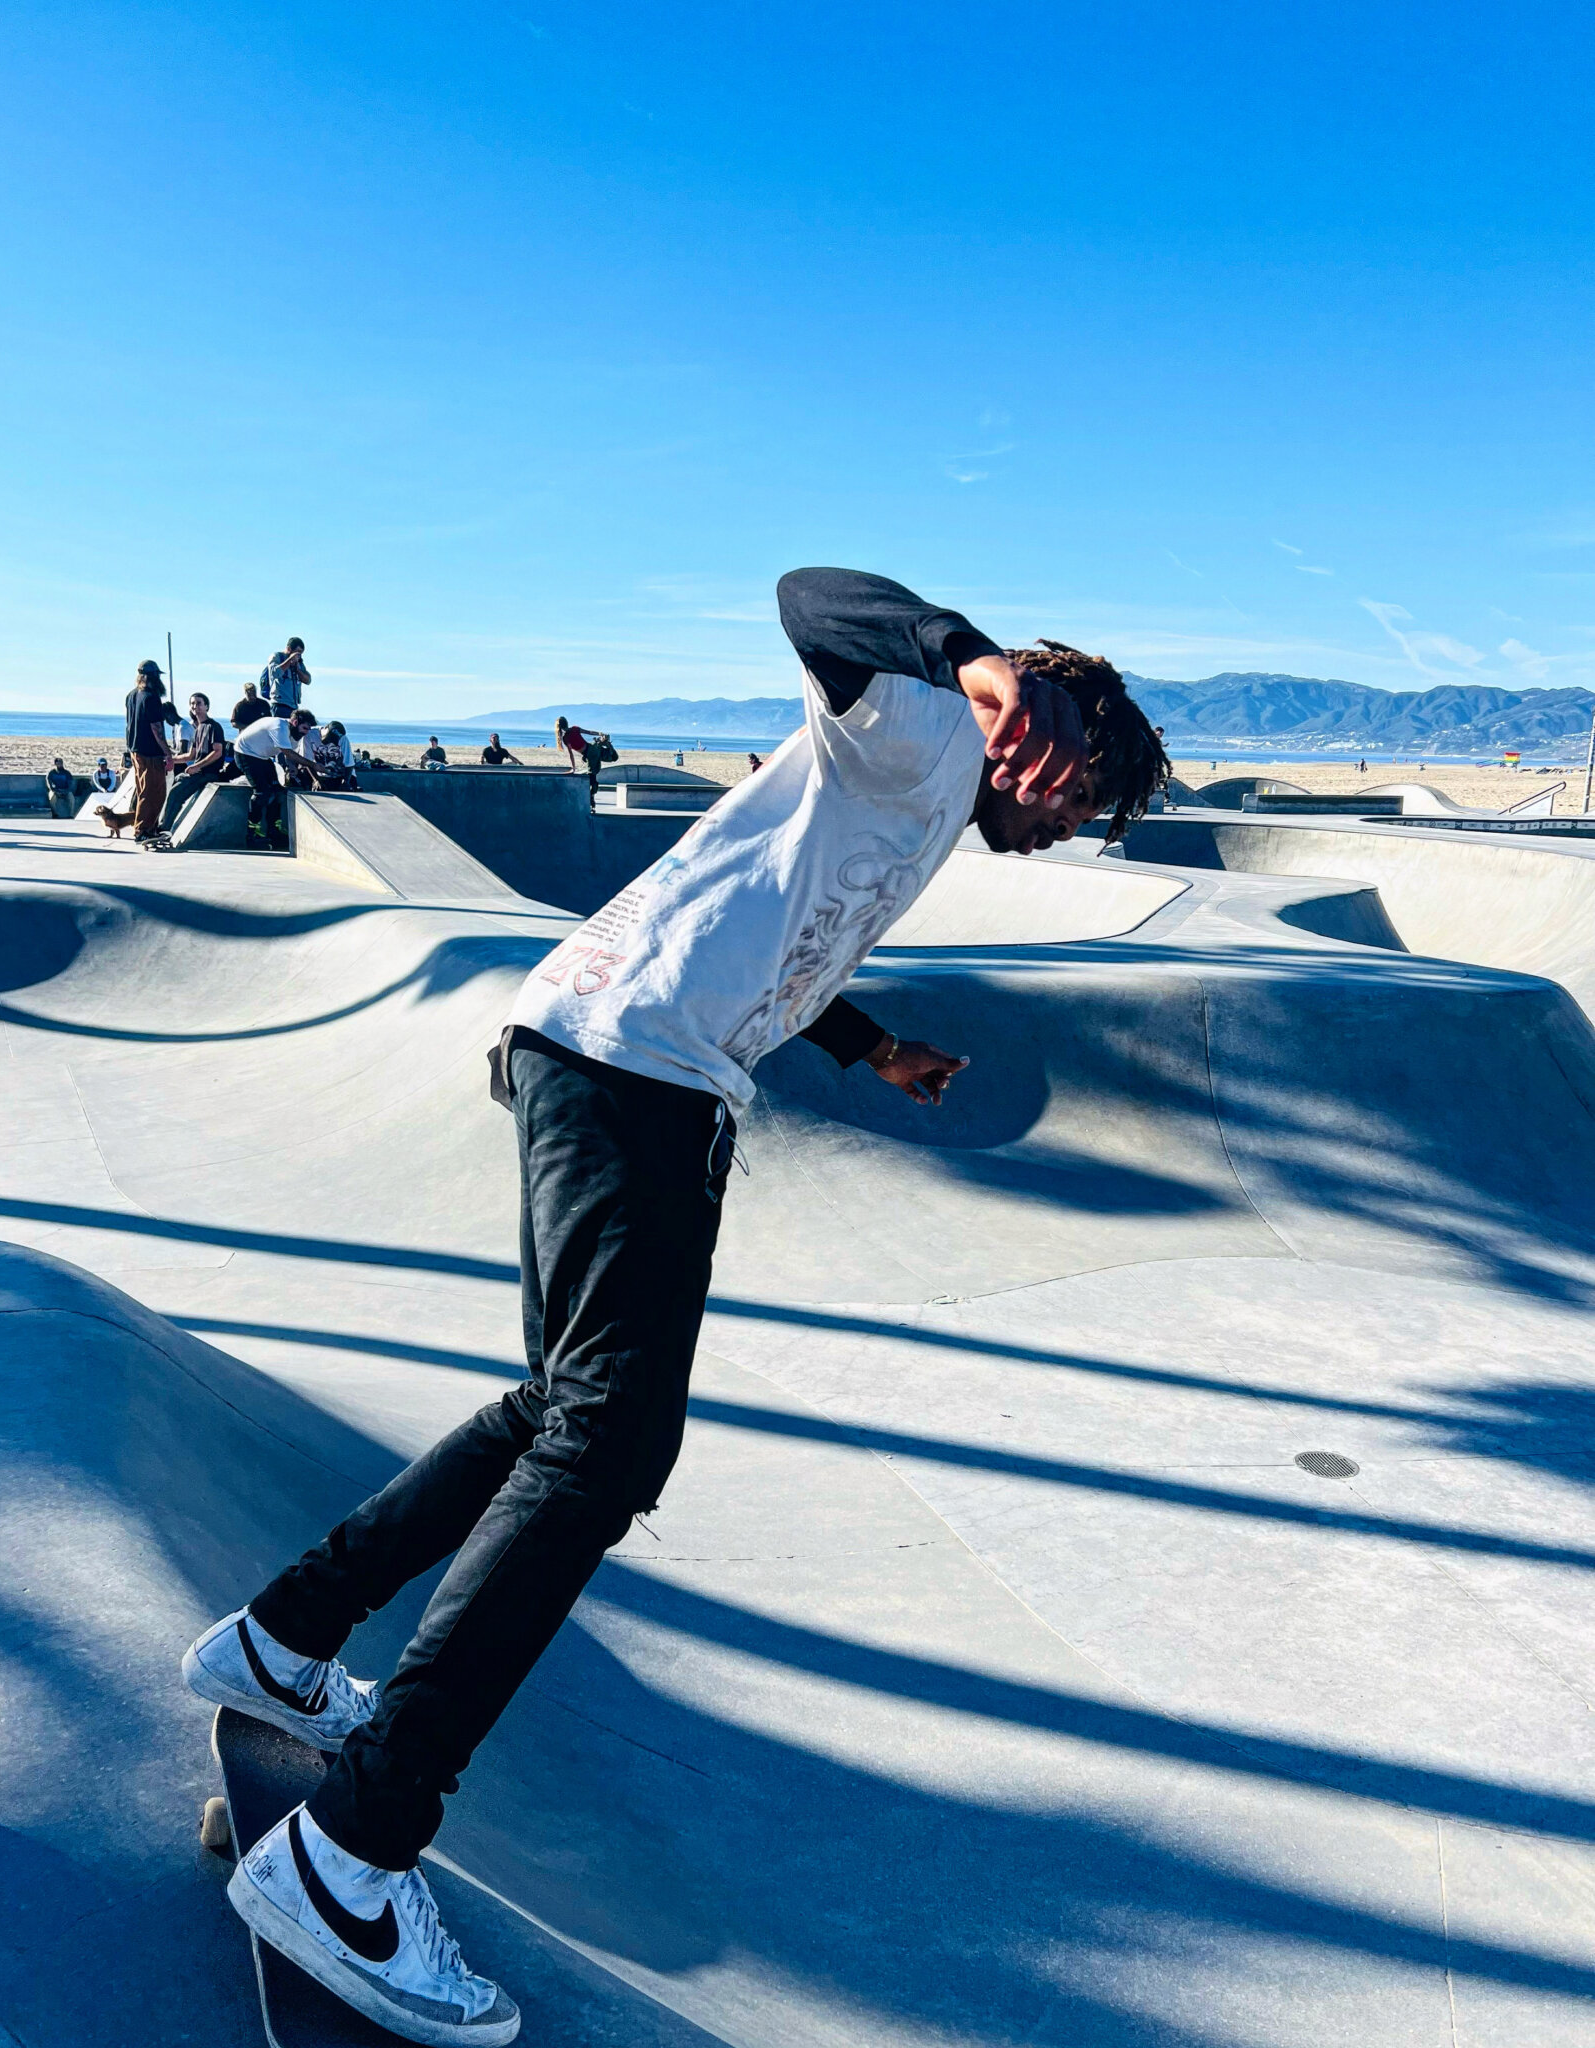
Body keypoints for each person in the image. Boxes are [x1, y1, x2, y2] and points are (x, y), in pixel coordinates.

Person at [181, 565, 1165, 2044]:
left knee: (558, 1414)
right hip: (630, 1071)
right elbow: (810, 595)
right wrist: (974, 662)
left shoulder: (910, 790)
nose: (1059, 828)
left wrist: (866, 1045)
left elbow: (771, 928)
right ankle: (352, 1852)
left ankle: (281, 1637)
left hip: (609, 1050)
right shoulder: (923, 723)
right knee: (609, 1444)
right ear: (1060, 727)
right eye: (1077, 799)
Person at [97, 660, 171, 842]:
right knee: (153, 792)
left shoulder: (131, 695)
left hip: (135, 750)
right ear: (154, 677)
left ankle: (148, 828)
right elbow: (156, 729)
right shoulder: (151, 697)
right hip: (150, 753)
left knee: (143, 790)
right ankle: (143, 830)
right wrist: (167, 753)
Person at [235, 706, 318, 849]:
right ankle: (252, 832)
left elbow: (290, 757)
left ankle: (274, 830)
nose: (306, 733)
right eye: (305, 728)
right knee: (262, 792)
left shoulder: (294, 736)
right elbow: (288, 753)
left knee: (278, 791)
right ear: (295, 722)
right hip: (245, 753)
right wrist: (313, 765)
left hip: (262, 757)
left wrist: (292, 769)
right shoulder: (279, 726)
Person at [163, 693, 229, 828]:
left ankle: (165, 828)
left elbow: (217, 752)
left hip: (208, 773)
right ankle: (165, 826)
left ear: (207, 706)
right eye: (192, 703)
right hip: (198, 772)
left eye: (199, 703)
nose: (195, 706)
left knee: (176, 794)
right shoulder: (198, 728)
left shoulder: (213, 727)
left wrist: (197, 766)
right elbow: (190, 756)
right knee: (175, 786)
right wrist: (170, 760)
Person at [262, 638, 311, 716]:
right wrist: (289, 660)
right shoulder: (277, 657)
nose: (298, 656)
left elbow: (308, 680)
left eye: (300, 654)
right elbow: (274, 673)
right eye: (297, 653)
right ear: (289, 649)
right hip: (279, 704)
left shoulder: (299, 662)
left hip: (293, 706)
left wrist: (298, 670)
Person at [305, 720, 358, 791]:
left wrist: (346, 782)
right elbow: (307, 761)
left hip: (343, 775)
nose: (330, 741)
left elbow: (349, 764)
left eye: (334, 740)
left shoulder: (343, 739)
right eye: (330, 738)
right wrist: (316, 780)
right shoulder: (310, 735)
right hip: (321, 775)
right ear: (325, 728)